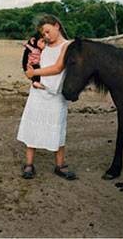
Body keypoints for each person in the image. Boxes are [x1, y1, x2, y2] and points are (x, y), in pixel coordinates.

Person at [16, 15, 76, 180]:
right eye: (43, 34)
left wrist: (34, 73)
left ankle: (60, 165)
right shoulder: (42, 45)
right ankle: (29, 164)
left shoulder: (67, 45)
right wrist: (32, 72)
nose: (46, 36)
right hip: (37, 92)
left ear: (57, 26)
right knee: (33, 126)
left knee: (57, 127)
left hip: (56, 93)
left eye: (48, 31)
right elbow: (32, 59)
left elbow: (58, 67)